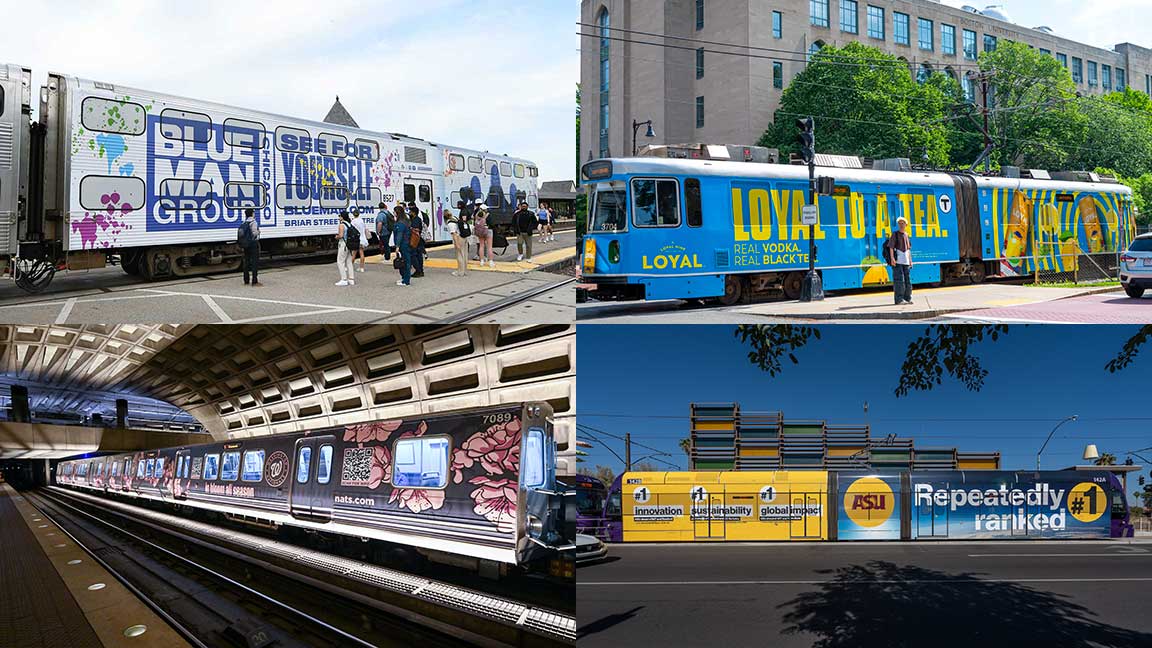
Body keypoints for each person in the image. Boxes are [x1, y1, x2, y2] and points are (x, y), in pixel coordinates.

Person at [886, 216, 913, 305]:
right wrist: (892, 258)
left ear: (906, 225)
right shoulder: (895, 234)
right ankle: (899, 299)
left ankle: (907, 298)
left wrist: (910, 261)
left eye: (903, 223)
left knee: (907, 280)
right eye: (899, 223)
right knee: (899, 280)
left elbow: (909, 249)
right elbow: (891, 247)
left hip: (906, 261)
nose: (901, 225)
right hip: (898, 261)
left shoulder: (906, 235)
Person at [237, 208, 261, 286]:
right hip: (253, 244)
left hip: (246, 244)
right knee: (254, 262)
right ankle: (254, 280)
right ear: (252, 214)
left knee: (246, 262)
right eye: (254, 213)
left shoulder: (244, 222)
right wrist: (258, 232)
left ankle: (246, 280)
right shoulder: (253, 222)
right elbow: (254, 233)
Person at [335, 211, 357, 287]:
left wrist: (336, 237)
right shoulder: (349, 224)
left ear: (342, 217)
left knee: (340, 262)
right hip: (350, 245)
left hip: (343, 244)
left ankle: (343, 279)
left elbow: (341, 235)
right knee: (349, 262)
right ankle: (351, 279)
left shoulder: (341, 225)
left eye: (339, 216)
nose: (339, 217)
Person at [392, 205, 412, 286]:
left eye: (394, 211)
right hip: (406, 244)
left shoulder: (400, 223)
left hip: (403, 245)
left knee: (405, 262)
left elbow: (399, 235)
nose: (393, 213)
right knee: (405, 261)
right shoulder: (406, 221)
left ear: (397, 213)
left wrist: (397, 246)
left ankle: (406, 280)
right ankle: (404, 278)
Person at [446, 210, 469, 276]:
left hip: (459, 238)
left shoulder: (450, 224)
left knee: (459, 255)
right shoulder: (455, 218)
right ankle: (465, 271)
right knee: (465, 255)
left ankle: (460, 272)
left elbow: (454, 234)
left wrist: (457, 244)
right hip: (464, 237)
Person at [474, 201, 495, 267]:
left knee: (481, 246)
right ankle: (491, 262)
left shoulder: (477, 215)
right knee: (489, 247)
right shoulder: (488, 215)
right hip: (488, 231)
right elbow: (492, 224)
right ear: (485, 209)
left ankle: (482, 261)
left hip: (480, 231)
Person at [350, 208, 369, 272]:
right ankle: (362, 268)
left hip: (356, 239)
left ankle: (350, 267)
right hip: (363, 239)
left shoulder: (353, 221)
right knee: (361, 253)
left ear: (353, 214)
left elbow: (351, 230)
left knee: (354, 254)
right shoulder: (361, 221)